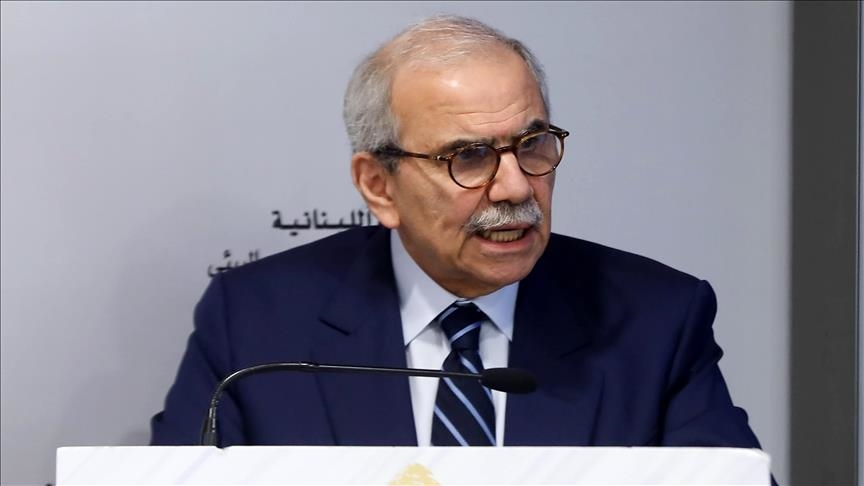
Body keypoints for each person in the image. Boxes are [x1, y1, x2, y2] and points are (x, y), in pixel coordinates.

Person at [151, 15, 766, 453]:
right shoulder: (255, 323)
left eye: (533, 145)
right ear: (378, 186)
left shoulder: (656, 320)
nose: (515, 188)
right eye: (468, 157)